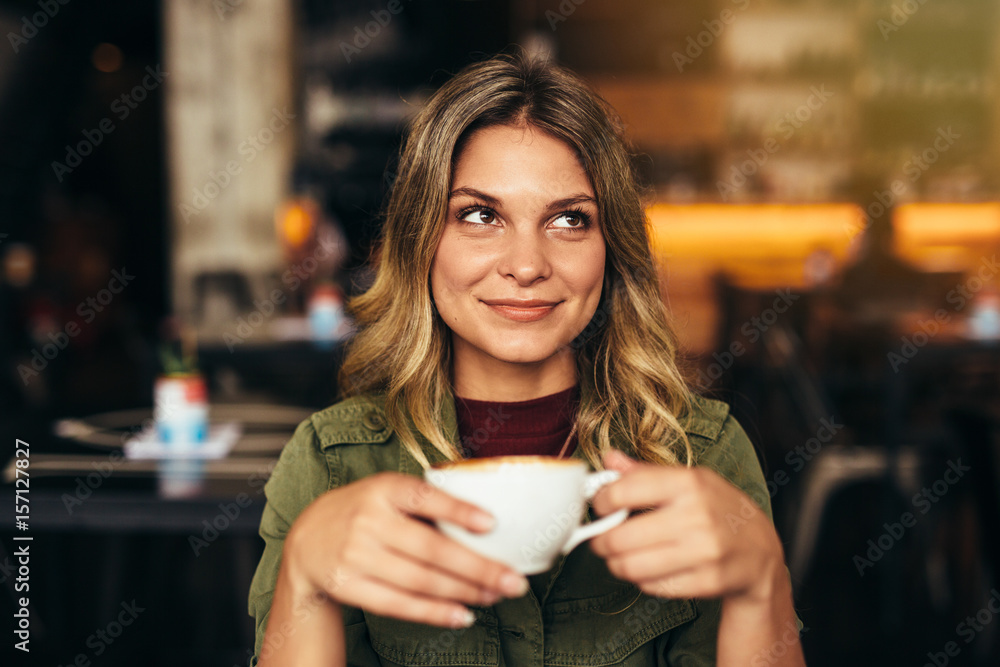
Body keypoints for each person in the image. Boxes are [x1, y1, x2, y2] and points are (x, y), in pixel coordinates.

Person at [248, 48, 805, 667]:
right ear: (421, 241)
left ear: (611, 248)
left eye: (569, 220)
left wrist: (764, 586)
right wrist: (305, 578)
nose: (527, 265)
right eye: (480, 215)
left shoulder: (700, 453)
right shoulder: (330, 465)